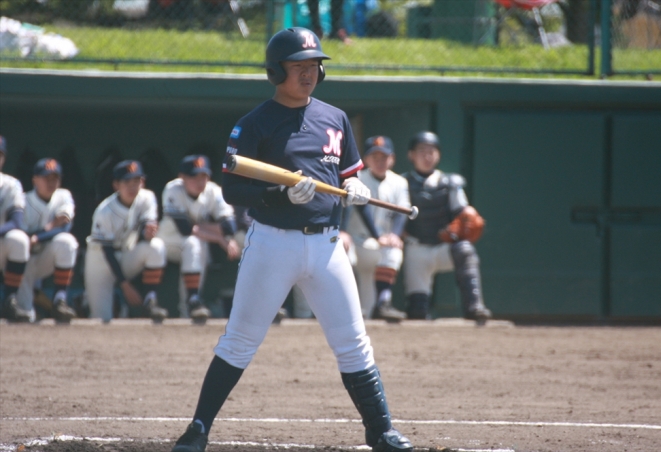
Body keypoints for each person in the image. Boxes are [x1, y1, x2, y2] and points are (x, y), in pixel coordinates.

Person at [171, 27, 413, 452]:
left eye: (314, 65)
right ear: (275, 71)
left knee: (354, 344)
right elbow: (232, 191)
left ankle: (382, 431)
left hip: (327, 246)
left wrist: (354, 186)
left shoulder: (335, 118)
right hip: (272, 244)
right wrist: (278, 194)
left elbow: (347, 172)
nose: (309, 72)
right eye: (298, 65)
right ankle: (198, 429)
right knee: (240, 341)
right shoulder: (254, 123)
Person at [402, 131, 492, 322]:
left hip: (443, 246)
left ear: (438, 155)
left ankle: (474, 306)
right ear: (411, 155)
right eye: (421, 151)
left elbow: (464, 214)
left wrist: (466, 217)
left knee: (465, 249)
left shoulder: (450, 183)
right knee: (417, 313)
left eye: (431, 152)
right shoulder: (401, 183)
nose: (427, 156)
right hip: (416, 247)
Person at [83, 160, 168, 323]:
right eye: (127, 182)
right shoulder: (104, 211)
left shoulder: (147, 197)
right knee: (101, 319)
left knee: (156, 246)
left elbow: (146, 228)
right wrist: (125, 285)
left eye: (136, 181)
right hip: (100, 261)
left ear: (142, 182)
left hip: (126, 254)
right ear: (116, 185)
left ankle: (150, 300)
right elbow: (107, 251)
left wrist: (148, 232)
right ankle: (86, 300)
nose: (132, 187)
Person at [157, 154, 239, 323]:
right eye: (194, 177)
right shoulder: (173, 189)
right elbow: (185, 229)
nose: (200, 181)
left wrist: (203, 228)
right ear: (182, 177)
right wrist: (220, 239)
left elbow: (230, 226)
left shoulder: (213, 190)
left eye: (203, 176)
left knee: (196, 244)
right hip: (167, 242)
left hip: (193, 243)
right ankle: (192, 301)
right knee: (193, 242)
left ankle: (191, 305)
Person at [345, 135, 410, 322]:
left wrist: (395, 235)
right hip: (357, 242)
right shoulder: (357, 179)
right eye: (375, 157)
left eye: (384, 157)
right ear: (366, 159)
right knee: (343, 251)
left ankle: (383, 303)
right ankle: (345, 306)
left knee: (393, 249)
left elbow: (402, 212)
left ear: (392, 159)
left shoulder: (399, 182)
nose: (380, 161)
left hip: (379, 244)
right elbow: (357, 208)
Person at [17, 158, 79, 323]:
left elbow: (65, 227)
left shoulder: (63, 195)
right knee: (25, 316)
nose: (51, 182)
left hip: (46, 257)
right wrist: (52, 226)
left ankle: (60, 300)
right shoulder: (23, 200)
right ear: (35, 180)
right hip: (24, 262)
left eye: (55, 178)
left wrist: (38, 236)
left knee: (67, 241)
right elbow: (22, 236)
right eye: (46, 178)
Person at [0, 136, 31, 322]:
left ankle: (10, 300)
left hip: (1, 242)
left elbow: (16, 221)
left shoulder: (11, 184)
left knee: (19, 239)